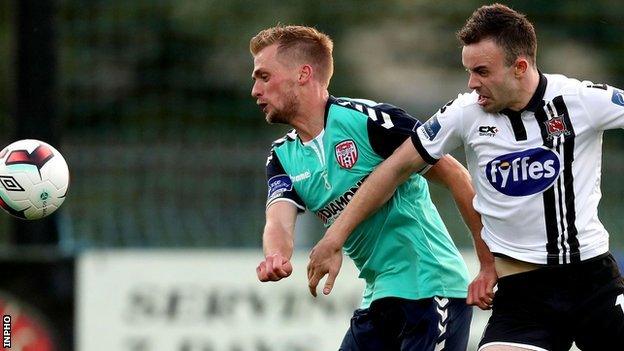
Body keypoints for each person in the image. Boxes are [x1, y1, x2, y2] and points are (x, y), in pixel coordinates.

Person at [308, 3, 624, 351]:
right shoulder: (465, 113)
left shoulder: (581, 100)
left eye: (482, 71)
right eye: (469, 71)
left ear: (520, 67)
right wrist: (335, 237)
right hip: (523, 296)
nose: (472, 83)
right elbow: (394, 168)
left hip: (592, 282)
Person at [250, 25, 496, 350]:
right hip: (379, 295)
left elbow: (456, 176)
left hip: (431, 287)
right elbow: (278, 220)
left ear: (303, 74)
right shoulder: (283, 156)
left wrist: (488, 264)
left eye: (264, 76)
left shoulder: (369, 121)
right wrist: (276, 256)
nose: (255, 90)